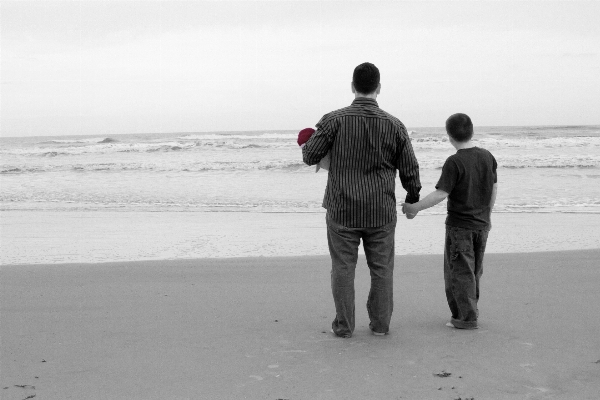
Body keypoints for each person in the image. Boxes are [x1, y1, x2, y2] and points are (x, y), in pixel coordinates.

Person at [302, 62, 421, 338]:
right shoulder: (395, 124)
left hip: (342, 207)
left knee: (343, 268)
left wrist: (309, 141)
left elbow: (310, 157)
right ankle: (380, 325)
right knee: (381, 268)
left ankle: (344, 326)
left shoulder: (334, 120)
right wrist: (412, 197)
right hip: (380, 209)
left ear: (353, 87)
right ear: (378, 88)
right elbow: (410, 168)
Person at [402, 113, 497, 330]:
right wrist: (488, 215)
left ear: (449, 136)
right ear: (472, 130)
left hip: (460, 226)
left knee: (460, 272)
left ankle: (465, 317)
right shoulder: (487, 156)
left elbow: (441, 193)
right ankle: (469, 311)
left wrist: (415, 207)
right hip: (482, 224)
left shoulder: (454, 162)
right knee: (474, 270)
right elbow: (494, 188)